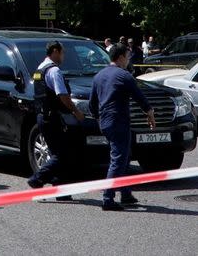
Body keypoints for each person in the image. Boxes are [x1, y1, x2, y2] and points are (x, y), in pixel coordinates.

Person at [89, 43, 156, 211]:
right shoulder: (124, 76)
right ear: (120, 58)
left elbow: (92, 104)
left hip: (106, 122)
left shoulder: (99, 76)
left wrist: (99, 118)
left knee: (124, 156)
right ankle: (108, 197)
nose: (128, 60)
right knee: (118, 159)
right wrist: (150, 113)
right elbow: (140, 97)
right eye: (127, 57)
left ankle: (125, 193)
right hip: (118, 121)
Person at [27, 41, 85, 201]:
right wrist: (76, 111)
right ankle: (37, 178)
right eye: (62, 52)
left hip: (42, 115)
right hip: (52, 117)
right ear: (55, 51)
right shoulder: (54, 71)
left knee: (56, 152)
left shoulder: (40, 69)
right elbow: (63, 96)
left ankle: (61, 191)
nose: (63, 56)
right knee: (62, 154)